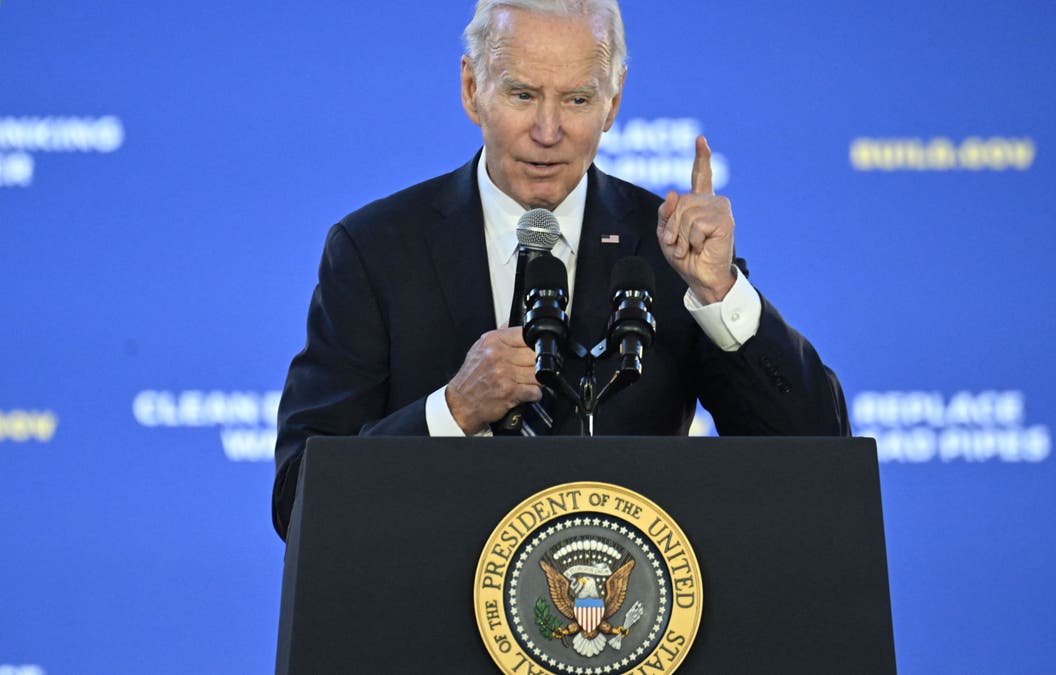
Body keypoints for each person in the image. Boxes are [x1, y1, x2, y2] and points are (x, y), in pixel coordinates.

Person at [272, 0, 849, 541]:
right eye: (522, 95)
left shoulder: (668, 247)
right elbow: (299, 497)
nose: (548, 132)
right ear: (473, 90)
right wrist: (453, 411)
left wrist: (721, 294)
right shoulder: (376, 248)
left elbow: (820, 457)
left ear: (613, 103)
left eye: (576, 100)